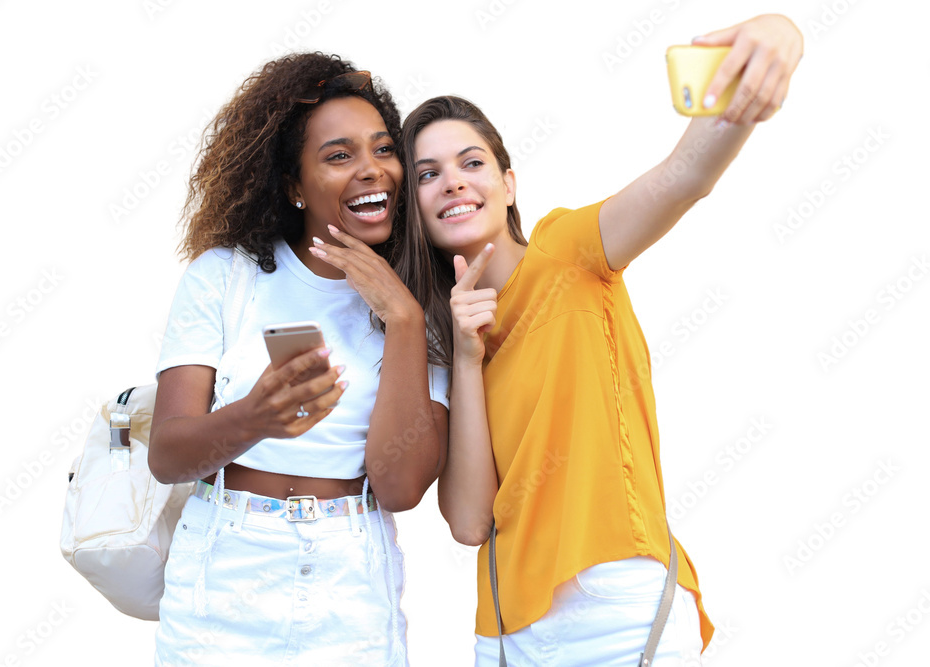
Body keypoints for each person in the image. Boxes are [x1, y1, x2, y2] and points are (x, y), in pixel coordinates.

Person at [389, 14, 803, 666]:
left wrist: (779, 34)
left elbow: (684, 176)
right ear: (415, 205)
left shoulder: (569, 251)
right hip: (506, 634)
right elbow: (470, 523)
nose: (454, 182)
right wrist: (467, 360)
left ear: (508, 182)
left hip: (617, 611)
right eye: (427, 173)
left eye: (472, 162)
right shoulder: (447, 342)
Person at [148, 52, 449, 666]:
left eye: (384, 149)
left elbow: (400, 487)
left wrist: (406, 321)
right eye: (340, 156)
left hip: (349, 581)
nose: (372, 171)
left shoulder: (424, 299)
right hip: (223, 573)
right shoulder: (224, 278)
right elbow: (168, 456)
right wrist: (255, 417)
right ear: (292, 185)